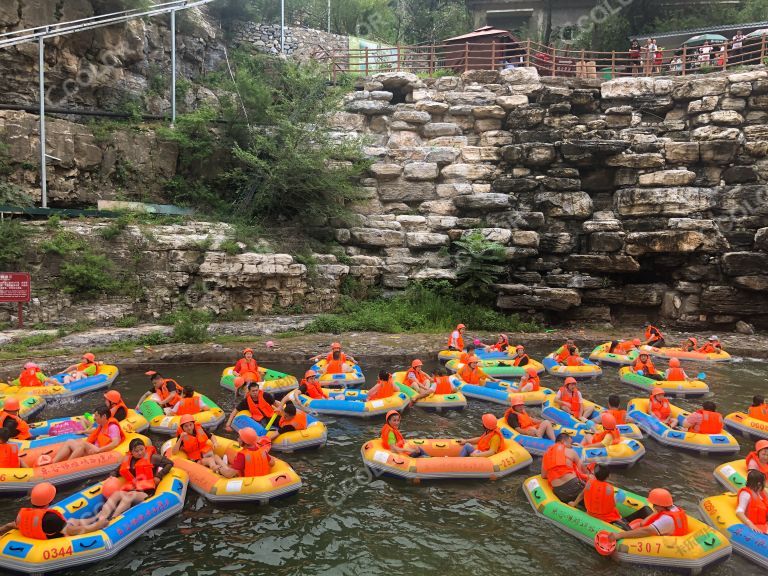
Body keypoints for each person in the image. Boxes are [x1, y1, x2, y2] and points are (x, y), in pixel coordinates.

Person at [92, 438, 174, 525]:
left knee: (128, 496)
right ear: (131, 452)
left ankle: (113, 520)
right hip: (133, 489)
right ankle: (102, 518)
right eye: (136, 451)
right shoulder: (128, 460)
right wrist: (112, 476)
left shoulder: (153, 458)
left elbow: (169, 463)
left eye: (141, 449)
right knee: (116, 494)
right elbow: (116, 471)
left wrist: (159, 476)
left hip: (147, 492)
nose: (140, 453)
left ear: (145, 448)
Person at [0, 483, 107, 539]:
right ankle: (98, 518)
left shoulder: (22, 514)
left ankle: (95, 517)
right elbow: (74, 531)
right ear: (50, 500)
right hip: (53, 541)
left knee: (73, 520)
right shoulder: (51, 518)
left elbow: (11, 525)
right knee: (74, 524)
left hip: (41, 534)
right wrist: (98, 525)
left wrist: (2, 529)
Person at [607, 488, 689, 542]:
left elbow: (644, 531)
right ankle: (624, 520)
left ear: (660, 505)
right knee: (645, 509)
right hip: (663, 529)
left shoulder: (666, 520)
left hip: (664, 540)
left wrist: (619, 535)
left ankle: (619, 523)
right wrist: (649, 518)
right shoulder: (673, 508)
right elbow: (643, 524)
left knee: (624, 527)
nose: (653, 506)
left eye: (654, 505)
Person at [569, 466, 635, 529]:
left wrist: (574, 503)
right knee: (619, 516)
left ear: (595, 474)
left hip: (590, 513)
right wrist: (617, 499)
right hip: (606, 518)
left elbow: (581, 495)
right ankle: (621, 522)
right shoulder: (609, 488)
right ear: (608, 476)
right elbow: (612, 505)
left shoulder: (589, 483)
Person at [51, 407, 125, 463]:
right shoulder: (102, 425)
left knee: (83, 443)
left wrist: (99, 450)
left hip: (101, 451)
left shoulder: (113, 427)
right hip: (95, 448)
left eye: (96, 416)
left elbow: (115, 442)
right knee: (69, 441)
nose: (94, 418)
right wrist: (83, 431)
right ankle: (53, 462)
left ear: (104, 416)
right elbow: (95, 431)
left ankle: (66, 464)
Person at [542, 433, 588, 502]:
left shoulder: (546, 454)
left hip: (559, 491)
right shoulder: (571, 451)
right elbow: (583, 470)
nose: (571, 446)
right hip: (574, 485)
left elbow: (543, 475)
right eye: (570, 443)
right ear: (563, 442)